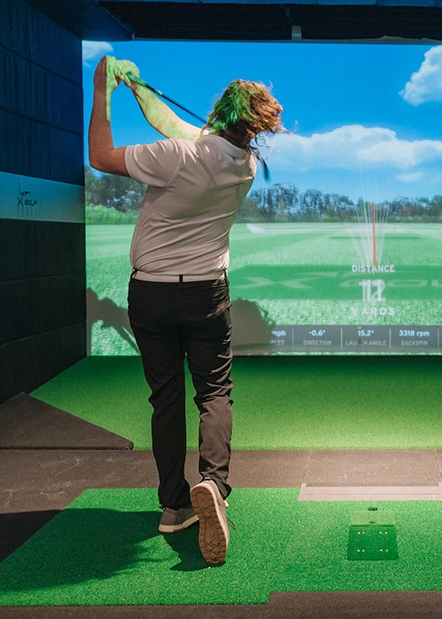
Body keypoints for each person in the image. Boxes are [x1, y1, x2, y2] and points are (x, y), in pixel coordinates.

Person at [88, 55, 284, 565]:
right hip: (206, 295)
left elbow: (101, 156)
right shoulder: (244, 164)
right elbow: (174, 123)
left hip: (150, 294)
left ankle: (174, 505)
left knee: (166, 400)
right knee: (214, 393)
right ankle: (214, 486)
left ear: (219, 111)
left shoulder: (176, 155)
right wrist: (137, 86)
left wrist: (102, 91)